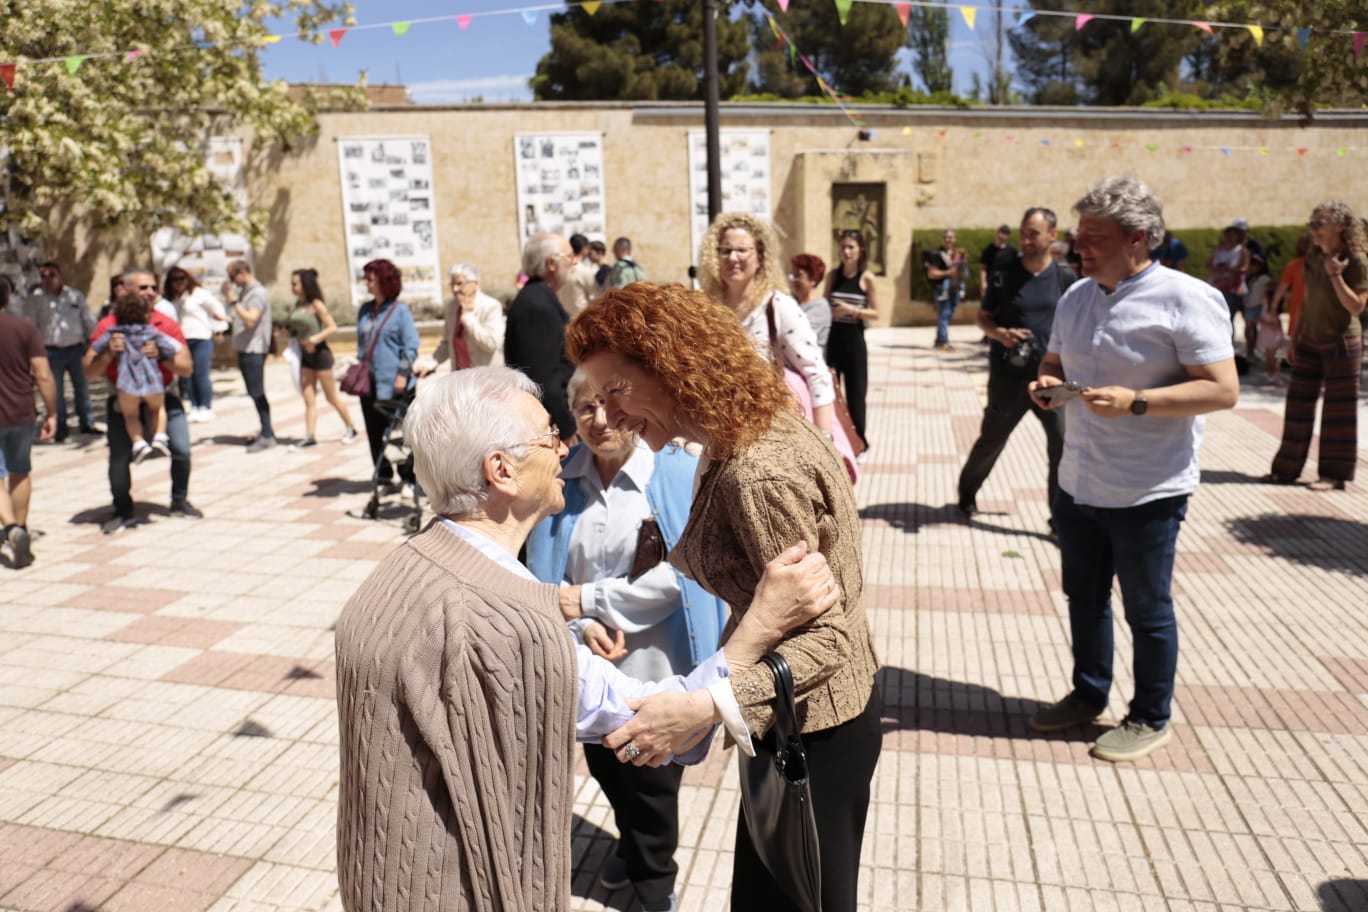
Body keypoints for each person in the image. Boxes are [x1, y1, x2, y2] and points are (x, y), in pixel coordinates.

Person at [334, 365, 839, 912]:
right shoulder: (509, 625)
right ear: (501, 470)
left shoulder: (393, 574)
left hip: (377, 881)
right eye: (548, 435)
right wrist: (759, 628)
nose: (563, 446)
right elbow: (648, 720)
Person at [567, 283, 882, 912]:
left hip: (813, 732)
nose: (613, 417)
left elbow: (828, 639)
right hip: (789, 719)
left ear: (671, 364)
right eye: (596, 399)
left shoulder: (756, 471)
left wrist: (703, 706)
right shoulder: (738, 433)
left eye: (617, 391)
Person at [1026, 176, 1238, 763]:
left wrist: (1137, 402)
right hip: (1078, 481)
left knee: (1147, 609)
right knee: (1084, 597)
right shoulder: (1077, 296)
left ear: (1138, 237)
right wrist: (1047, 385)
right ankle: (1088, 693)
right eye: (1079, 235)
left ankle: (1149, 715)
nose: (1079, 247)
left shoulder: (1186, 298)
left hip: (1149, 488)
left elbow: (1223, 390)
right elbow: (1051, 361)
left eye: (1094, 237)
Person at [526, 369, 729, 912]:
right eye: (585, 408)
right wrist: (580, 625)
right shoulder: (561, 477)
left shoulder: (675, 471)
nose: (599, 420)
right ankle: (631, 845)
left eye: (610, 405)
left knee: (652, 788)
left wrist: (587, 601)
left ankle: (655, 883)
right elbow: (545, 577)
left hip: (656, 671)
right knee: (606, 770)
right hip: (587, 666)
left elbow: (680, 578)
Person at [958, 207, 1076, 530]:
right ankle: (966, 492)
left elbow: (1078, 324)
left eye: (1033, 233)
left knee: (1062, 445)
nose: (1025, 240)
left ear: (1052, 235)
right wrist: (1000, 334)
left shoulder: (1066, 277)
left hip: (1053, 379)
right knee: (992, 440)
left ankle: (1058, 520)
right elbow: (983, 318)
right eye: (1023, 233)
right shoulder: (1004, 272)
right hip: (1008, 377)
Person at [699, 213, 837, 438]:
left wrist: (825, 438)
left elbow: (816, 374)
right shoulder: (707, 310)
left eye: (742, 250)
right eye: (725, 250)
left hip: (775, 436)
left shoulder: (778, 306)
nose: (733, 257)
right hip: (721, 434)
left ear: (760, 257)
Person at [1263, 201, 1368, 491]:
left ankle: (1334, 476)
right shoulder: (1312, 257)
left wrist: (1335, 274)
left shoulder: (1356, 259)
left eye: (1320, 224)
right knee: (1297, 406)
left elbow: (1356, 307)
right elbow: (1306, 301)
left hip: (1341, 342)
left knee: (1338, 412)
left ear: (1341, 226)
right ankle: (1285, 471)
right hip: (1310, 339)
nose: (1314, 230)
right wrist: (1294, 338)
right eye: (1312, 224)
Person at [83, 274, 200, 532]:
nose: (150, 292)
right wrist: (108, 354)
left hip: (162, 395)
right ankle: (123, 509)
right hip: (123, 397)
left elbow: (186, 367)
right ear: (125, 290)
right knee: (118, 459)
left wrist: (162, 356)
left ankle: (179, 501)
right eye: (143, 287)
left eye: (154, 287)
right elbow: (88, 370)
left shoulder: (164, 324)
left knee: (182, 450)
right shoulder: (108, 326)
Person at [0, 277, 57, 568]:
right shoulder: (24, 328)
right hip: (21, 411)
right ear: (7, 296)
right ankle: (20, 527)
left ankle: (11, 528)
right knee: (20, 471)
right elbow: (43, 374)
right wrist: (52, 412)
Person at [89, 292, 183, 464]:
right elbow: (171, 349)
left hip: (127, 382)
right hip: (152, 380)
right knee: (157, 408)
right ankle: (160, 437)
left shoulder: (114, 333)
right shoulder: (151, 332)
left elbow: (96, 348)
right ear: (146, 314)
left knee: (130, 415)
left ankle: (138, 443)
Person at [504, 232, 577, 441]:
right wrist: (565, 428)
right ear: (551, 264)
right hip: (548, 427)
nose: (574, 262)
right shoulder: (536, 305)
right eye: (569, 256)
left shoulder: (540, 297)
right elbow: (543, 379)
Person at [355, 259, 420, 487]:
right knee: (374, 431)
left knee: (401, 435)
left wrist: (402, 373)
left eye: (370, 279)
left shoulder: (400, 312)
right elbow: (362, 346)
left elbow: (410, 346)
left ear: (384, 281)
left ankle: (409, 478)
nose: (366, 283)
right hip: (369, 384)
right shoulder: (365, 310)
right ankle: (383, 475)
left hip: (396, 385)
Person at [23, 261, 97, 442]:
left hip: (76, 349)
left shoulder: (74, 295)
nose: (48, 279)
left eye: (52, 275)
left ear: (60, 276)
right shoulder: (36, 298)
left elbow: (87, 320)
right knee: (55, 390)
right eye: (43, 276)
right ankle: (60, 426)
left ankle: (86, 422)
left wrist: (93, 344)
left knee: (82, 387)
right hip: (50, 351)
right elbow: (30, 326)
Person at [286, 268, 357, 448]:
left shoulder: (316, 304)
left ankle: (351, 427)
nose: (292, 287)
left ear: (305, 285)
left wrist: (314, 339)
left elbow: (332, 327)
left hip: (320, 355)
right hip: (304, 356)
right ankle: (310, 436)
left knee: (331, 397)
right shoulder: (297, 305)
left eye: (295, 284)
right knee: (308, 398)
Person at [825, 228, 880, 452]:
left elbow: (876, 313)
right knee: (831, 392)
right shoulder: (833, 276)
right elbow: (824, 306)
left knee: (856, 394)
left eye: (851, 247)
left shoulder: (867, 278)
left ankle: (860, 443)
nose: (846, 252)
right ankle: (836, 442)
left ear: (861, 250)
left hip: (854, 341)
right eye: (843, 247)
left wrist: (851, 310)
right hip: (833, 340)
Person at [165, 267, 229, 422]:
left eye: (182, 278)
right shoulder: (171, 299)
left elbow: (216, 309)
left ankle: (205, 406)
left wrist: (218, 330)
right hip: (182, 340)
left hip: (201, 337)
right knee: (187, 375)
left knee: (201, 373)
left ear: (188, 279)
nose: (179, 282)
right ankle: (194, 406)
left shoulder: (198, 294)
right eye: (175, 279)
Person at [226, 259, 275, 452]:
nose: (231, 281)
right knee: (254, 393)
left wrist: (232, 301)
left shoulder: (257, 293)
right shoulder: (246, 293)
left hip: (253, 349)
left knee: (257, 392)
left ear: (242, 272)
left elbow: (251, 320)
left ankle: (267, 435)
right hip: (245, 348)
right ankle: (265, 430)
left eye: (232, 276)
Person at [430, 263, 505, 372]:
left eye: (459, 283)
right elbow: (447, 343)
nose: (455, 289)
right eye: (452, 284)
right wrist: (430, 363)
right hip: (461, 377)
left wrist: (469, 318)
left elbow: (492, 343)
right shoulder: (451, 308)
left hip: (487, 376)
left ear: (476, 283)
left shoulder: (490, 306)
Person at [1269, 233, 1312, 354]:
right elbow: (1282, 287)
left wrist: (1274, 305)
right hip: (1304, 305)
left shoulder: (1294, 265)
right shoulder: (1296, 265)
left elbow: (1282, 288)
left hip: (1299, 306)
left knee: (1298, 338)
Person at [923, 229, 962, 350]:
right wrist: (948, 273)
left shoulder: (956, 254)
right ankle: (943, 341)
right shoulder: (937, 255)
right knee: (944, 315)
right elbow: (931, 273)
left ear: (955, 239)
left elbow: (959, 269)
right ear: (942, 239)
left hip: (954, 288)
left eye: (950, 237)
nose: (948, 240)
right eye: (946, 237)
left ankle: (939, 339)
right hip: (941, 289)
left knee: (947, 314)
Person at [787, 252, 831, 348]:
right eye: (792, 275)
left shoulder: (820, 307)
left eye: (798, 275)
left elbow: (799, 335)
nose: (793, 280)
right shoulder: (791, 302)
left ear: (813, 279)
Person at [1206, 225, 1248, 323]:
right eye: (1227, 235)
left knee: (1228, 317)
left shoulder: (1241, 251)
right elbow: (1208, 265)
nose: (1229, 238)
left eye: (1231, 235)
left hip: (1233, 289)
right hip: (1217, 286)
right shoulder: (1217, 250)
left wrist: (1229, 269)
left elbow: (1245, 268)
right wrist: (1217, 269)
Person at [557, 232, 600, 317]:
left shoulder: (560, 269)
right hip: (580, 319)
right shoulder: (584, 270)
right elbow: (597, 294)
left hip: (563, 318)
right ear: (584, 249)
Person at [1242, 254, 1272, 362]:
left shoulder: (1264, 278)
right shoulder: (1250, 277)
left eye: (1255, 265)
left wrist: (1265, 298)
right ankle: (1249, 351)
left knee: (1251, 329)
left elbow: (1271, 287)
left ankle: (1251, 351)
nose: (1253, 267)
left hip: (1256, 305)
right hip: (1248, 305)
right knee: (1249, 330)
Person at [978, 223, 1016, 299]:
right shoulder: (988, 250)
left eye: (1006, 234)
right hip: (991, 285)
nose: (1003, 236)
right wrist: (983, 283)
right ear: (997, 233)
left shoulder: (1012, 251)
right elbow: (982, 268)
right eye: (1002, 233)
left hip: (1006, 287)